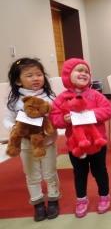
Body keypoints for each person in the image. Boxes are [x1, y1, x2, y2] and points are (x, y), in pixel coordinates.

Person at [49, 58, 111, 218]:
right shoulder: (62, 98)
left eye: (86, 72)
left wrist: (91, 115)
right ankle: (81, 199)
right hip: (75, 145)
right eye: (79, 70)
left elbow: (107, 110)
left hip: (97, 143)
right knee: (79, 172)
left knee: (100, 171)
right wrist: (64, 120)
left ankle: (104, 196)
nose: (83, 74)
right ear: (67, 75)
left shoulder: (95, 95)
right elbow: (54, 118)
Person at [3, 58, 60, 222]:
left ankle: (54, 199)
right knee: (32, 175)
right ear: (17, 81)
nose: (36, 78)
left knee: (50, 173)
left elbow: (55, 117)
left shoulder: (50, 96)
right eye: (29, 75)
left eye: (39, 74)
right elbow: (7, 119)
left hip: (47, 143)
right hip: (26, 145)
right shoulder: (15, 101)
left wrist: (51, 123)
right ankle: (38, 203)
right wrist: (13, 127)